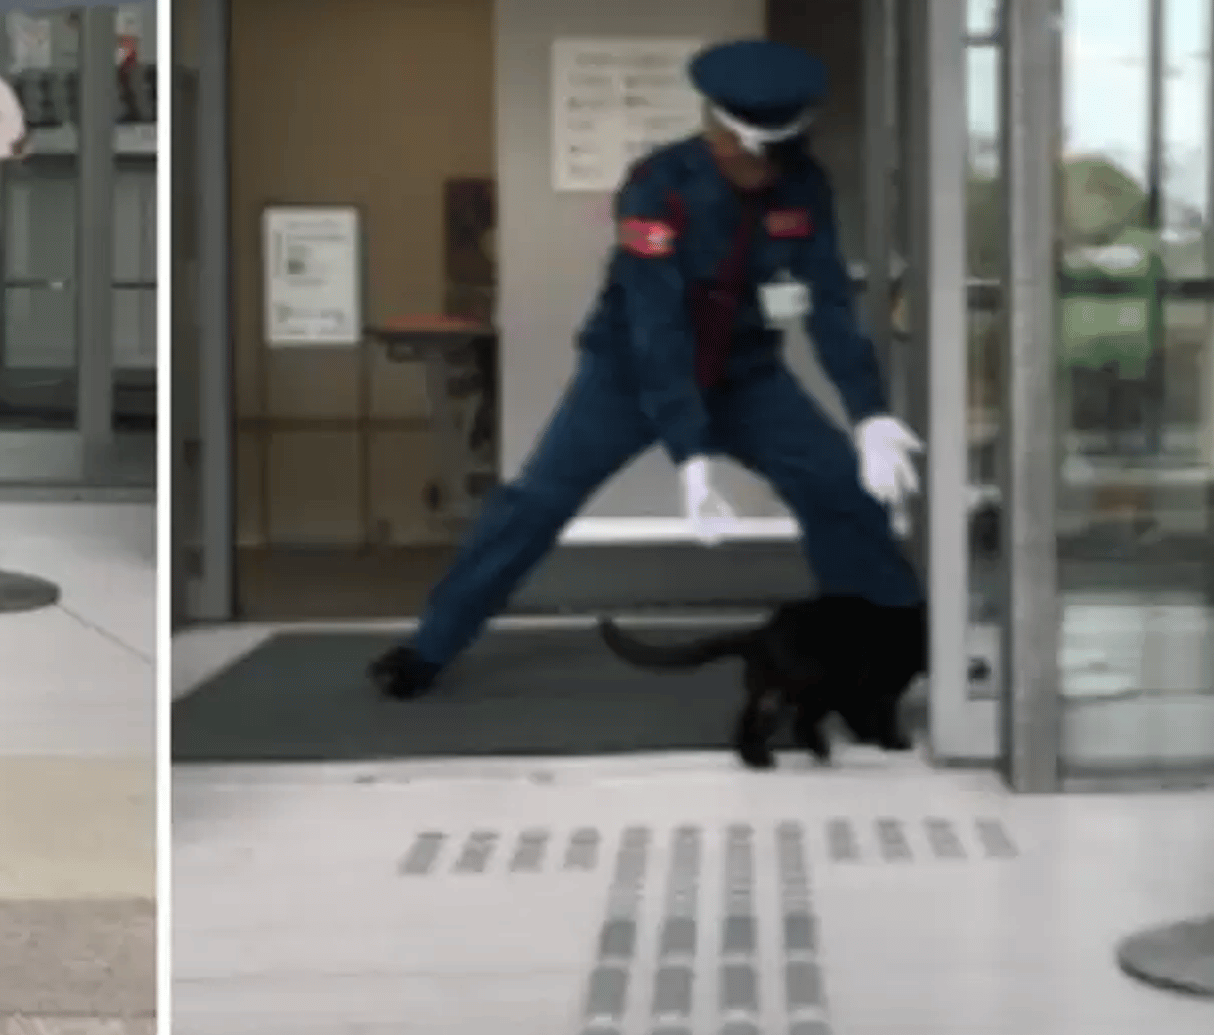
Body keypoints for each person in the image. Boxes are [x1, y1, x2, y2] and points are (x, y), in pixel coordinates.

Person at [368, 39, 927, 699]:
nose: (741, 157)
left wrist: (869, 414)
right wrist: (690, 455)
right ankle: (430, 647)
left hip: (747, 379)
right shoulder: (657, 186)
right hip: (628, 379)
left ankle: (902, 651)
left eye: (757, 151)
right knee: (535, 503)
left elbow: (828, 303)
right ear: (720, 128)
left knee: (841, 487)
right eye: (731, 140)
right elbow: (656, 329)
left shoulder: (807, 185)